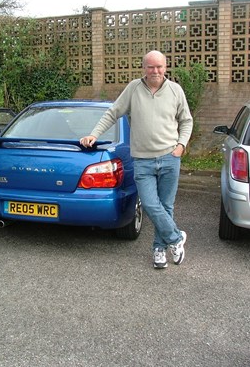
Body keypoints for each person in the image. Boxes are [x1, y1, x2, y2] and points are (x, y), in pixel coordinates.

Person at [80, 50, 193, 269]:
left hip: (170, 157)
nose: (156, 71)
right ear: (144, 68)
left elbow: (186, 121)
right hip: (143, 161)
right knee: (151, 205)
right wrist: (94, 134)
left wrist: (181, 146)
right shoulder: (134, 89)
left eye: (159, 66)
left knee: (166, 206)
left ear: (165, 67)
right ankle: (176, 237)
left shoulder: (175, 91)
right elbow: (112, 113)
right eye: (151, 67)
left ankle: (159, 250)